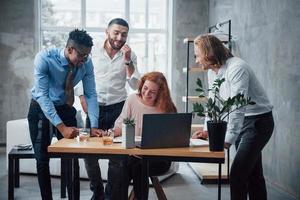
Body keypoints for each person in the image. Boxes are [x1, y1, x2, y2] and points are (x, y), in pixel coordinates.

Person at [193, 34, 274, 200]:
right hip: (241, 123)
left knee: (237, 174)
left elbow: (238, 107)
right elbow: (214, 104)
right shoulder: (212, 71)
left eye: (197, 55)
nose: (196, 60)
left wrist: (227, 140)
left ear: (208, 54)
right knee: (253, 174)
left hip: (258, 123)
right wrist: (207, 130)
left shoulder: (238, 68)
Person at [27, 29, 101, 200]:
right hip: (40, 109)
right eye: (81, 55)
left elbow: (91, 94)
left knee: (71, 157)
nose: (84, 60)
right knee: (42, 159)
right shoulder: (44, 58)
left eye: (87, 56)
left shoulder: (86, 63)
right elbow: (42, 96)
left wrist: (94, 125)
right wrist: (61, 127)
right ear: (69, 49)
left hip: (65, 107)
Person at [75, 18, 140, 200]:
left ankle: (111, 195)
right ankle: (97, 192)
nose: (120, 38)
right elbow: (80, 76)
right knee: (89, 155)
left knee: (117, 156)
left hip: (118, 108)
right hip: (94, 108)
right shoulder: (92, 51)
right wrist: (81, 97)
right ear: (107, 32)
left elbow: (135, 85)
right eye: (116, 33)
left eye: (124, 34)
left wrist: (128, 62)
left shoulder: (130, 55)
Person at [113, 71, 177, 199]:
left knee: (138, 164)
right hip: (134, 154)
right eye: (145, 88)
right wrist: (110, 133)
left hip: (159, 158)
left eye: (152, 92)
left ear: (160, 94)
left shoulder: (166, 108)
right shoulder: (132, 99)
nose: (146, 93)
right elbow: (120, 124)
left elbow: (174, 137)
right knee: (122, 165)